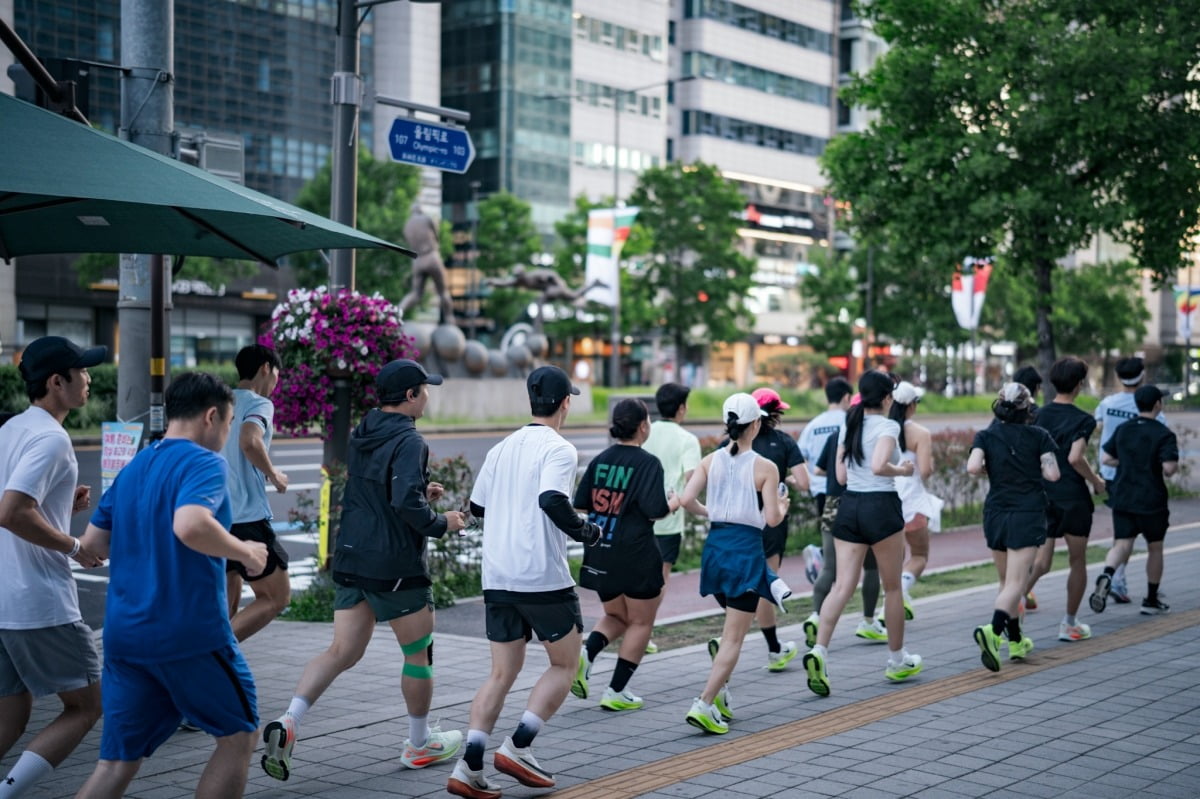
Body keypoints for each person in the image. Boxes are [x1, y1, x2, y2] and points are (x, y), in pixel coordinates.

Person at [262, 359, 466, 782]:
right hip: (393, 563)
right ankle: (418, 741)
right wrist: (440, 521)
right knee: (418, 653)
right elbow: (406, 505)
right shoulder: (410, 440)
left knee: (341, 651)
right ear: (410, 396)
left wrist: (416, 491)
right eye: (424, 389)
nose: (427, 395)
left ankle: (289, 721)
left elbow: (384, 489)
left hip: (352, 556)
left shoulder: (364, 430)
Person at [73, 372, 269, 799]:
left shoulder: (136, 465)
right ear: (212, 416)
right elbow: (190, 524)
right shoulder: (205, 462)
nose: (228, 433)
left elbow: (91, 546)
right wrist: (245, 552)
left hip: (125, 639)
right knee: (238, 736)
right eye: (230, 422)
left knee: (115, 764)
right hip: (190, 635)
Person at [447, 366, 602, 799]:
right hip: (542, 577)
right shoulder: (560, 449)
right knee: (566, 665)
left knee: (502, 672)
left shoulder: (501, 448)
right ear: (565, 402)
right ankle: (518, 746)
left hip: (497, 576)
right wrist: (585, 531)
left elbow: (477, 507)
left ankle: (469, 765)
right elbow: (552, 500)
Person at [0, 336, 106, 799]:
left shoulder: (11, 430)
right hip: (37, 601)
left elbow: (17, 509)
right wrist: (73, 546)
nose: (89, 378)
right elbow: (11, 512)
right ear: (55, 382)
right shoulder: (51, 438)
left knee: (11, 711)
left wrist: (63, 509)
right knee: (86, 706)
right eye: (80, 371)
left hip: (4, 596)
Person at [802, 371, 923, 698]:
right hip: (881, 506)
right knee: (893, 587)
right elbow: (880, 465)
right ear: (887, 399)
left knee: (842, 585)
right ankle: (897, 659)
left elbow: (840, 474)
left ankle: (820, 651)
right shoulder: (888, 426)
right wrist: (903, 470)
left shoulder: (848, 424)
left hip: (849, 507)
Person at [676, 393, 791, 734]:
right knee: (733, 638)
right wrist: (783, 507)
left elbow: (685, 499)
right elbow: (771, 519)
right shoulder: (765, 467)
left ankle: (720, 693)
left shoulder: (711, 461)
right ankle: (704, 703)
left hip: (716, 550)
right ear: (755, 424)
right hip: (745, 553)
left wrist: (710, 512)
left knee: (729, 629)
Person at [570, 399, 670, 711]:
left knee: (617, 615)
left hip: (601, 551)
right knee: (641, 622)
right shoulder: (648, 463)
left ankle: (585, 655)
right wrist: (674, 502)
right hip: (636, 554)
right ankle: (616, 690)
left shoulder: (601, 460)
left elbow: (581, 503)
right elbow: (657, 511)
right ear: (643, 426)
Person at [707, 388, 808, 672]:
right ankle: (773, 649)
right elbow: (804, 481)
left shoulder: (727, 445)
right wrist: (781, 479)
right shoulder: (784, 442)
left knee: (740, 587)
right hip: (769, 521)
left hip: (732, 528)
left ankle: (736, 639)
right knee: (763, 584)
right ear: (772, 414)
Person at [967, 383, 1060, 672]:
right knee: (1017, 584)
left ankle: (1017, 640)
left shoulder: (985, 435)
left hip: (996, 512)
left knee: (1006, 583)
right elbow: (1053, 474)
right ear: (1026, 408)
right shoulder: (1039, 436)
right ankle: (993, 633)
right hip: (1026, 513)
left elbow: (972, 467)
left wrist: (991, 467)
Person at [1026, 358, 1105, 642]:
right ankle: (1069, 624)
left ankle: (1014, 602)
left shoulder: (1037, 415)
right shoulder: (1084, 419)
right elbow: (1074, 458)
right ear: (1079, 384)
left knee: (1041, 561)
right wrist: (1096, 481)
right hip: (1073, 497)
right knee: (1077, 560)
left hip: (1043, 495)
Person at [221, 344, 291, 643]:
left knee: (225, 602)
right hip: (246, 517)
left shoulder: (220, 401)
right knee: (276, 596)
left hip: (214, 518)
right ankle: (216, 652)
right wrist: (273, 473)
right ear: (266, 368)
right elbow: (250, 440)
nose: (277, 382)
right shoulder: (259, 403)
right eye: (277, 374)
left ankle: (206, 667)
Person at [1090, 385, 1178, 615]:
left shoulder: (1123, 430)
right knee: (1155, 548)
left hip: (1123, 495)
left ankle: (1107, 574)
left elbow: (1107, 458)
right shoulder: (1163, 433)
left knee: (1122, 542)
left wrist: (1128, 463)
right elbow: (1169, 468)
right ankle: (1150, 600)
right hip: (1152, 499)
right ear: (1158, 404)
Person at [806, 428, 884, 648]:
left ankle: (815, 616)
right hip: (861, 502)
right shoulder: (874, 434)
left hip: (832, 503)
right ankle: (868, 621)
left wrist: (834, 474)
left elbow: (819, 469)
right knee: (871, 567)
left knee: (829, 567)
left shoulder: (835, 436)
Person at [641, 383, 702, 655]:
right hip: (667, 521)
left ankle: (636, 628)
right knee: (659, 581)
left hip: (639, 518)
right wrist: (703, 509)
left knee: (638, 578)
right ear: (681, 408)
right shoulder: (687, 439)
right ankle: (645, 633)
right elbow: (691, 482)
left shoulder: (645, 432)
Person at [888, 381, 942, 620]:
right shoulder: (920, 433)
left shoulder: (884, 430)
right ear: (911, 405)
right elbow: (926, 471)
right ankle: (898, 594)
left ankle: (896, 599)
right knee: (919, 555)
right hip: (913, 500)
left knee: (893, 559)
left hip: (888, 500)